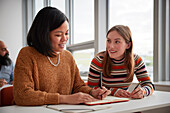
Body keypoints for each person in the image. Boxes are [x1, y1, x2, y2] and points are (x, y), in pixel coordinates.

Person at [13, 7, 110, 106]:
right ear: (44, 35)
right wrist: (64, 99)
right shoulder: (27, 54)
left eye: (67, 33)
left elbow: (77, 87)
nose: (65, 39)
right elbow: (22, 95)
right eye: (58, 35)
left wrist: (92, 92)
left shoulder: (67, 56)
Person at [88, 25, 155, 99]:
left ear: (128, 45)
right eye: (108, 41)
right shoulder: (98, 61)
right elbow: (91, 89)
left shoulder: (136, 60)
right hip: (105, 101)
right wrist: (113, 91)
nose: (111, 46)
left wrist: (143, 91)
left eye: (117, 42)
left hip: (125, 101)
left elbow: (149, 85)